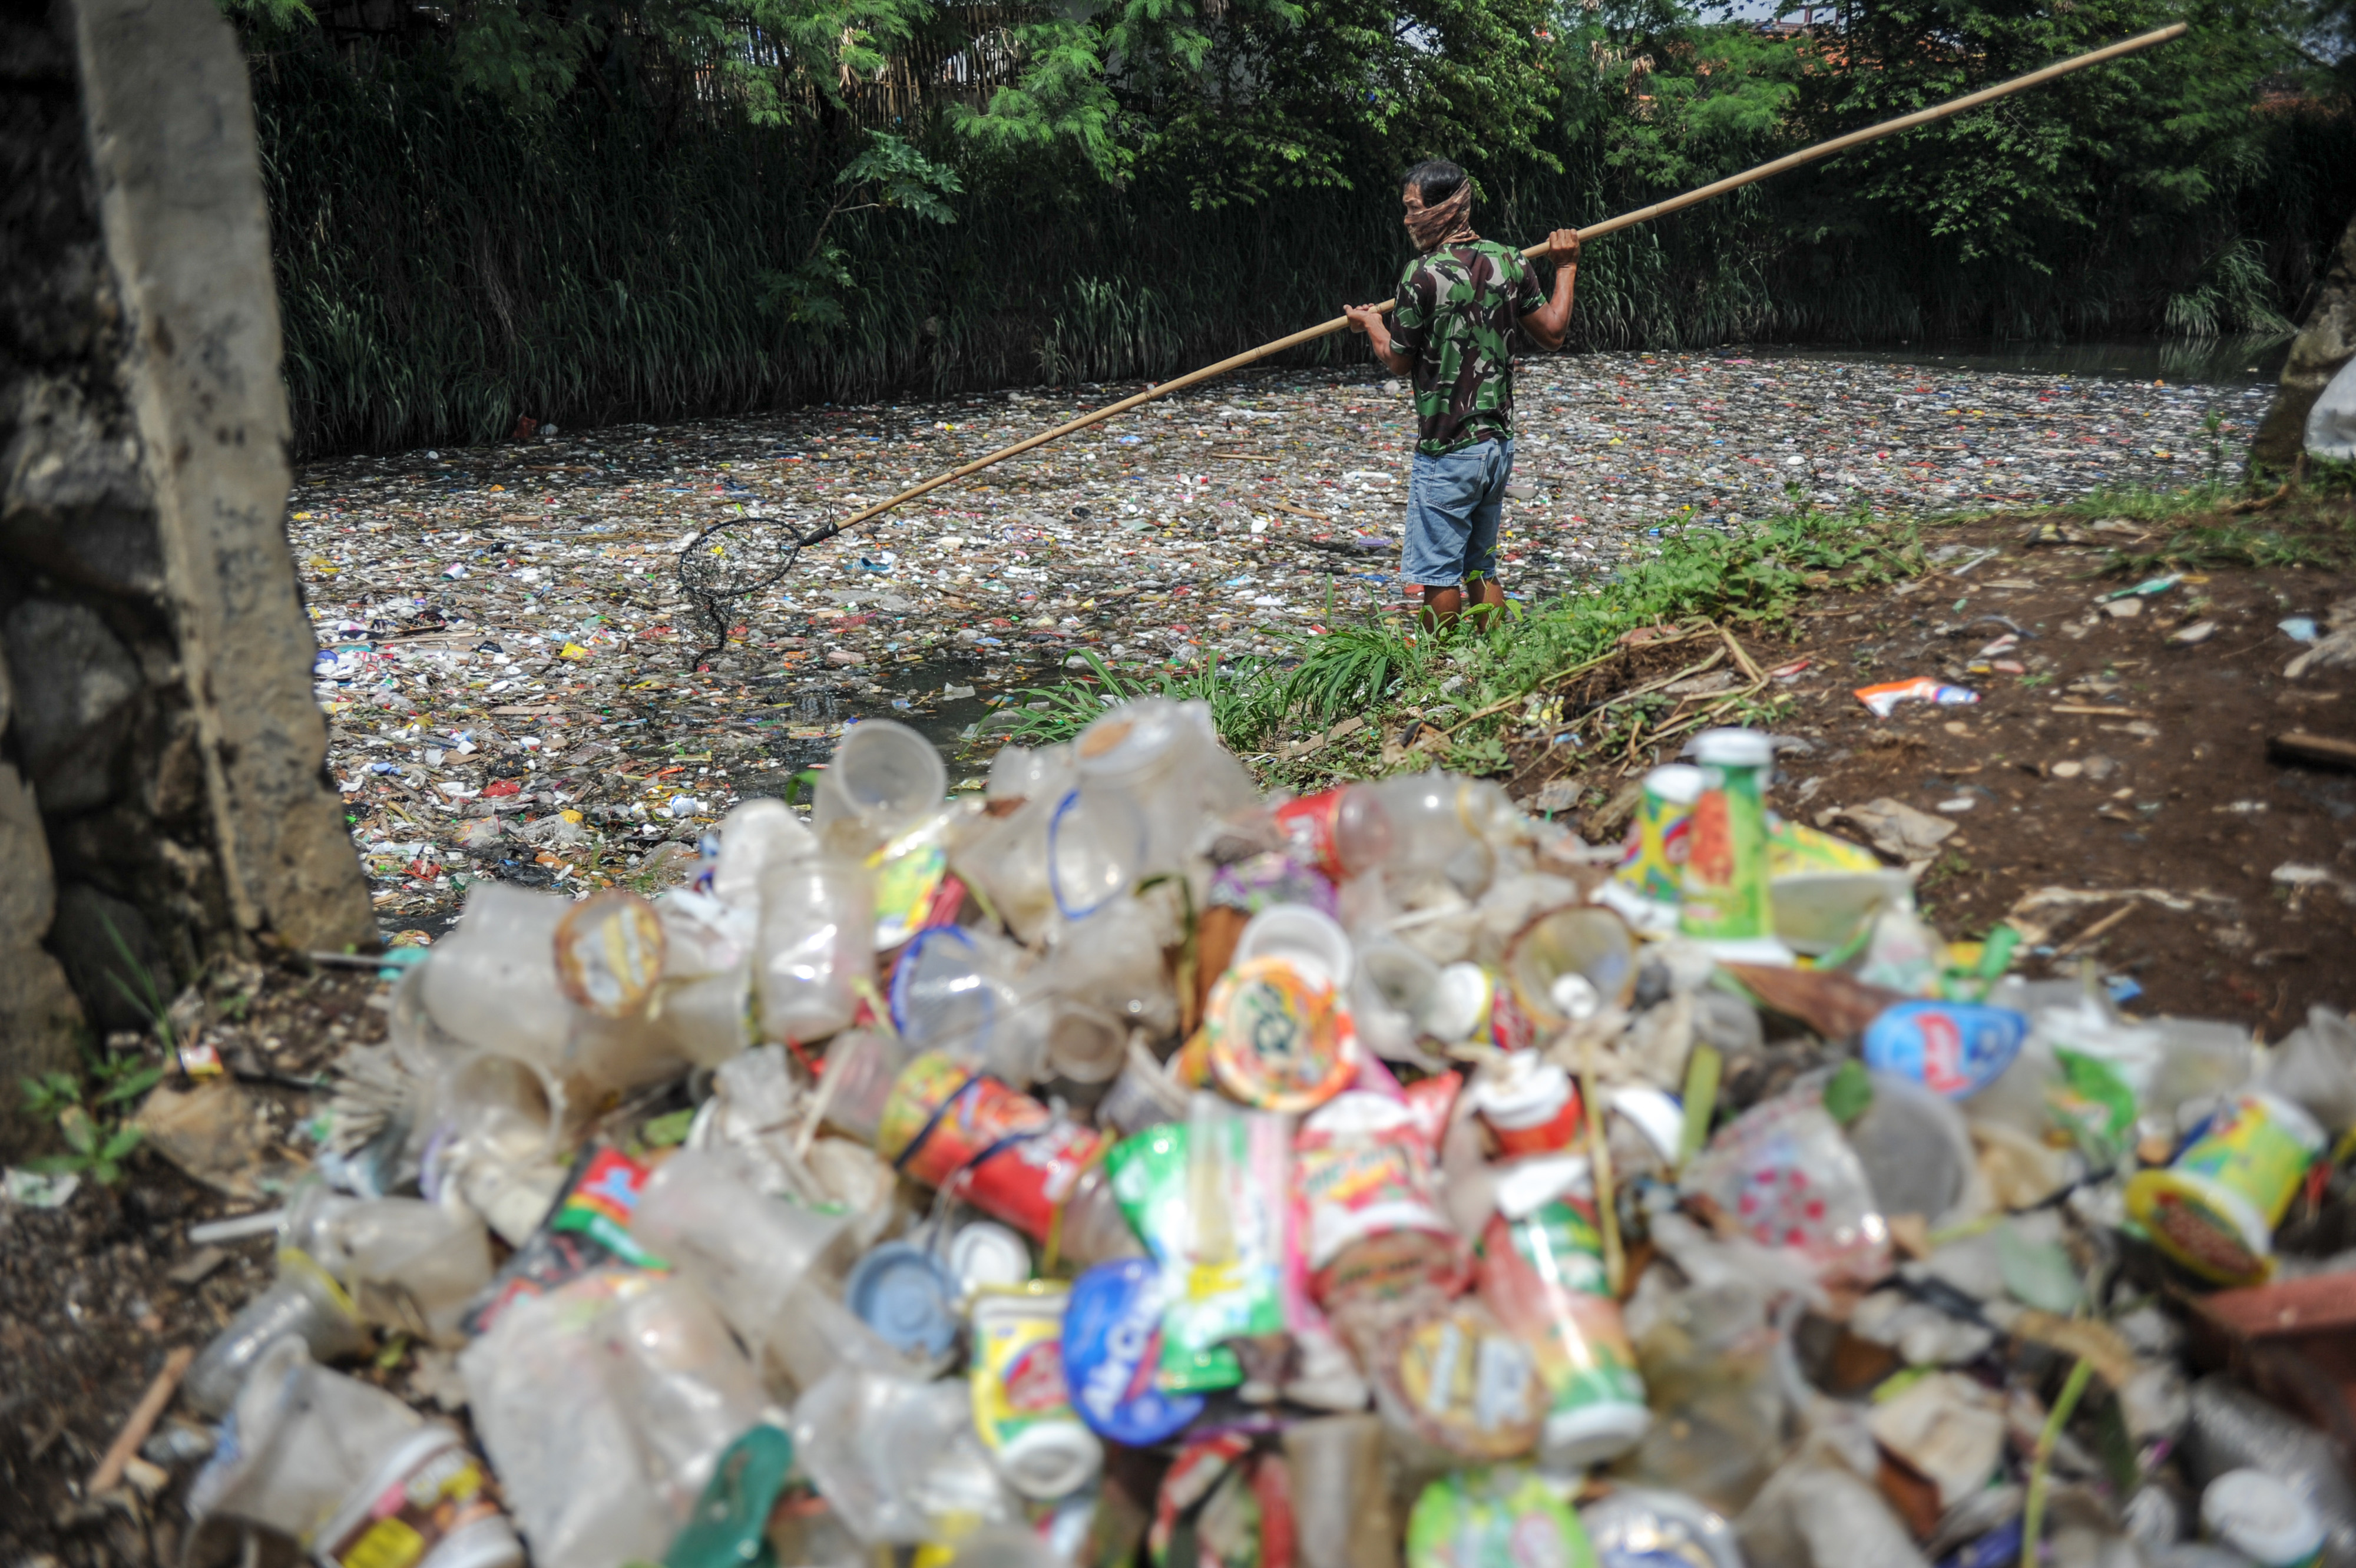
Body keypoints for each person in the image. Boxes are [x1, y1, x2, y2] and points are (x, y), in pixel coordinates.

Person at [1343, 160, 1579, 630]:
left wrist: (1371, 325)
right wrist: (1567, 268)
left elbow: (1398, 360)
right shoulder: (1510, 261)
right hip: (1496, 446)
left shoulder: (1422, 275)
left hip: (1448, 449)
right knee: (1480, 567)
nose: (1408, 220)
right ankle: (1494, 656)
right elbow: (1554, 332)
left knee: (1438, 572)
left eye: (1414, 209)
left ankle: (1438, 663)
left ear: (1445, 208)